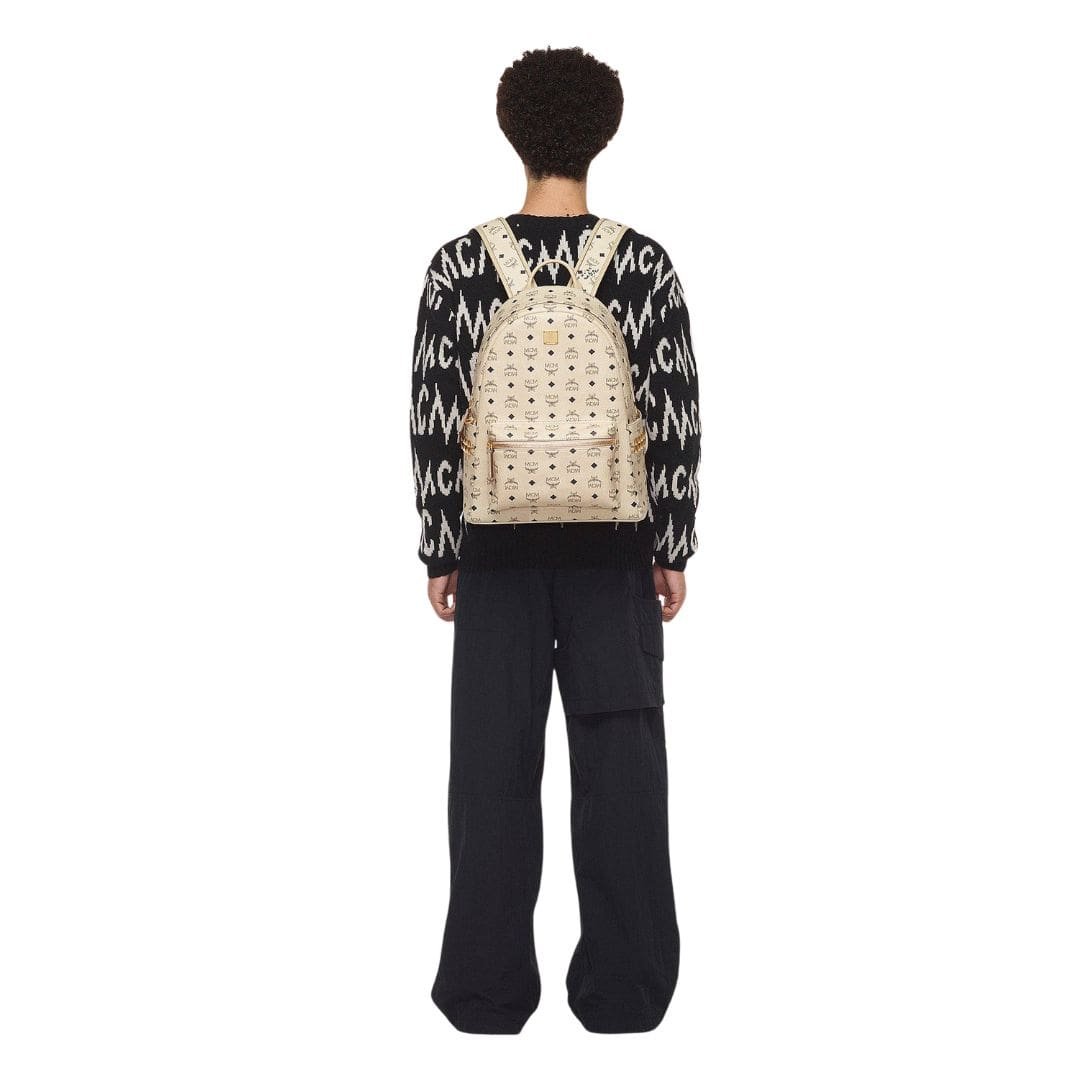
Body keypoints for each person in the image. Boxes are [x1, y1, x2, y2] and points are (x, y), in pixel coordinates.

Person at [409, 46, 701, 1034]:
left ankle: (485, 993)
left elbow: (432, 409)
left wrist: (441, 545)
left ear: (512, 132)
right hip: (614, 554)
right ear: (602, 134)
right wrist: (672, 542)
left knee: (491, 772)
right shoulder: (642, 263)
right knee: (621, 771)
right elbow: (673, 407)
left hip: (495, 556)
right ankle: (625, 992)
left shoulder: (459, 264)